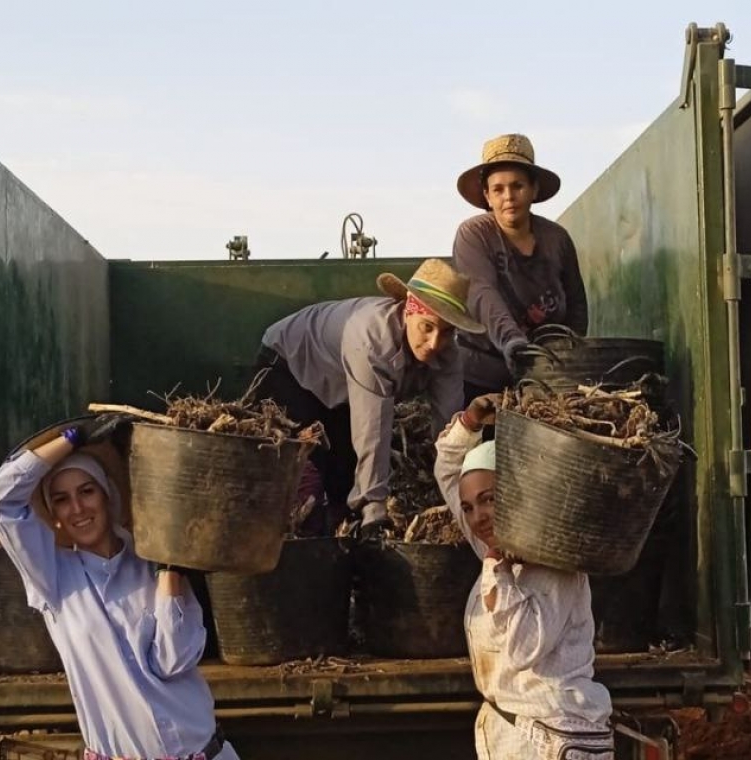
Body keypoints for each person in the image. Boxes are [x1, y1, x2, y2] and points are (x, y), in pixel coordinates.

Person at [0, 415, 241, 760]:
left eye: (87, 491)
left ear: (108, 496)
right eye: (61, 499)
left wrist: (169, 569)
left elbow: (173, 659)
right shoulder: (53, 579)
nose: (77, 509)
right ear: (54, 513)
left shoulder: (154, 564)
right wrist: (73, 439)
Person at [434, 396, 614, 760]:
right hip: (521, 732)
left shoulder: (553, 563)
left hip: (550, 737)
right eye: (468, 507)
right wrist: (470, 422)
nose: (477, 516)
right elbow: (453, 474)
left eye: (490, 499)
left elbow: (523, 648)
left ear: (517, 493)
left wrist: (496, 572)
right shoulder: (498, 548)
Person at [254, 258, 485, 538]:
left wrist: (461, 496)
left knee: (343, 476)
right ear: (409, 311)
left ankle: (345, 548)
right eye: (427, 327)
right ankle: (307, 550)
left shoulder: (448, 354)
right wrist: (375, 507)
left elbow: (449, 427)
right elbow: (372, 428)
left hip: (339, 385)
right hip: (289, 364)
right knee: (306, 472)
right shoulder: (371, 340)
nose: (435, 343)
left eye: (447, 332)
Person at [453, 134, 589, 403]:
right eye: (498, 189)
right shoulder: (474, 234)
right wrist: (513, 342)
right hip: (481, 371)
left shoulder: (557, 239)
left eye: (518, 186)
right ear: (487, 197)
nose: (509, 197)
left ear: (534, 190)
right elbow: (481, 292)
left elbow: (576, 305)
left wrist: (567, 360)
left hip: (543, 376)